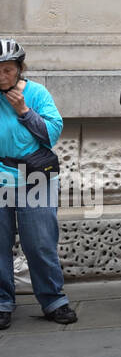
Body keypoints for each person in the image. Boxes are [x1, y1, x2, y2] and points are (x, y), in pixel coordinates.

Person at [1, 38, 76, 328]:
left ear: (19, 69)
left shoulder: (36, 93)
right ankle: (2, 302)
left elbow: (51, 134)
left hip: (35, 176)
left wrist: (24, 111)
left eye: (8, 70)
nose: (2, 76)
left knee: (40, 242)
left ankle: (53, 300)